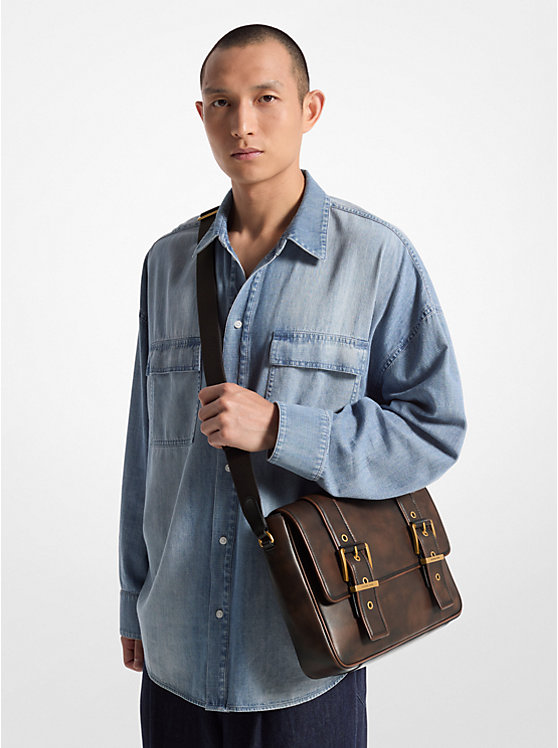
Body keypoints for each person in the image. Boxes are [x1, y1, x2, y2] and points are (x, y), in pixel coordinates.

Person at [118, 23, 467, 748]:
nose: (242, 123)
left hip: (308, 660)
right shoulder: (167, 263)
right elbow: (143, 451)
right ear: (201, 114)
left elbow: (433, 429)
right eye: (221, 102)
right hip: (174, 652)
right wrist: (133, 598)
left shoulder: (377, 258)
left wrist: (282, 429)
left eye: (266, 98)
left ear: (311, 109)